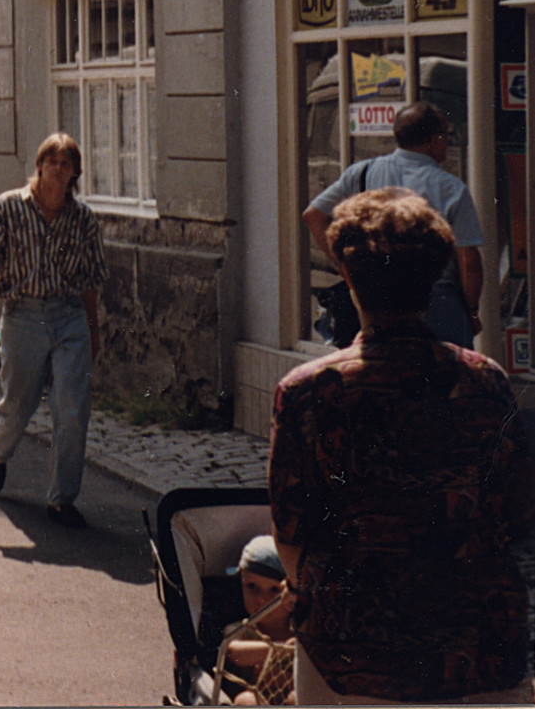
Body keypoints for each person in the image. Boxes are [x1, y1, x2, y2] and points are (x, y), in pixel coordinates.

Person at [270, 188, 535, 705]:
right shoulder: (488, 382)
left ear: (347, 278)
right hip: (477, 654)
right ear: (435, 277)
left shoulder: (308, 392)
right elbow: (518, 514)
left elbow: (291, 533)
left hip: (355, 660)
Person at [0, 132, 107, 529]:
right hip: (23, 315)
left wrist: (93, 331)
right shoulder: (8, 207)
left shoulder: (83, 219)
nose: (58, 170)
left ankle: (62, 499)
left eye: (66, 164)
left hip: (68, 315)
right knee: (19, 403)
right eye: (52, 162)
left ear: (74, 173)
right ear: (40, 165)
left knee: (73, 407)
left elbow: (91, 279)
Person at [302, 101, 482, 345]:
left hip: (376, 301)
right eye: (445, 135)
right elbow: (469, 261)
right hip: (437, 303)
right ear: (433, 140)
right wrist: (471, 310)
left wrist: (346, 266)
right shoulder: (451, 189)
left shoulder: (362, 172)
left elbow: (313, 215)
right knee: (446, 376)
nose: (448, 142)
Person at [223, 534, 296, 706]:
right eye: (252, 587)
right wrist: (282, 649)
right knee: (246, 700)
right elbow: (235, 653)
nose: (261, 599)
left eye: (274, 590)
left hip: (290, 696)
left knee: (297, 697)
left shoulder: (300, 632)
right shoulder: (240, 629)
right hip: (252, 696)